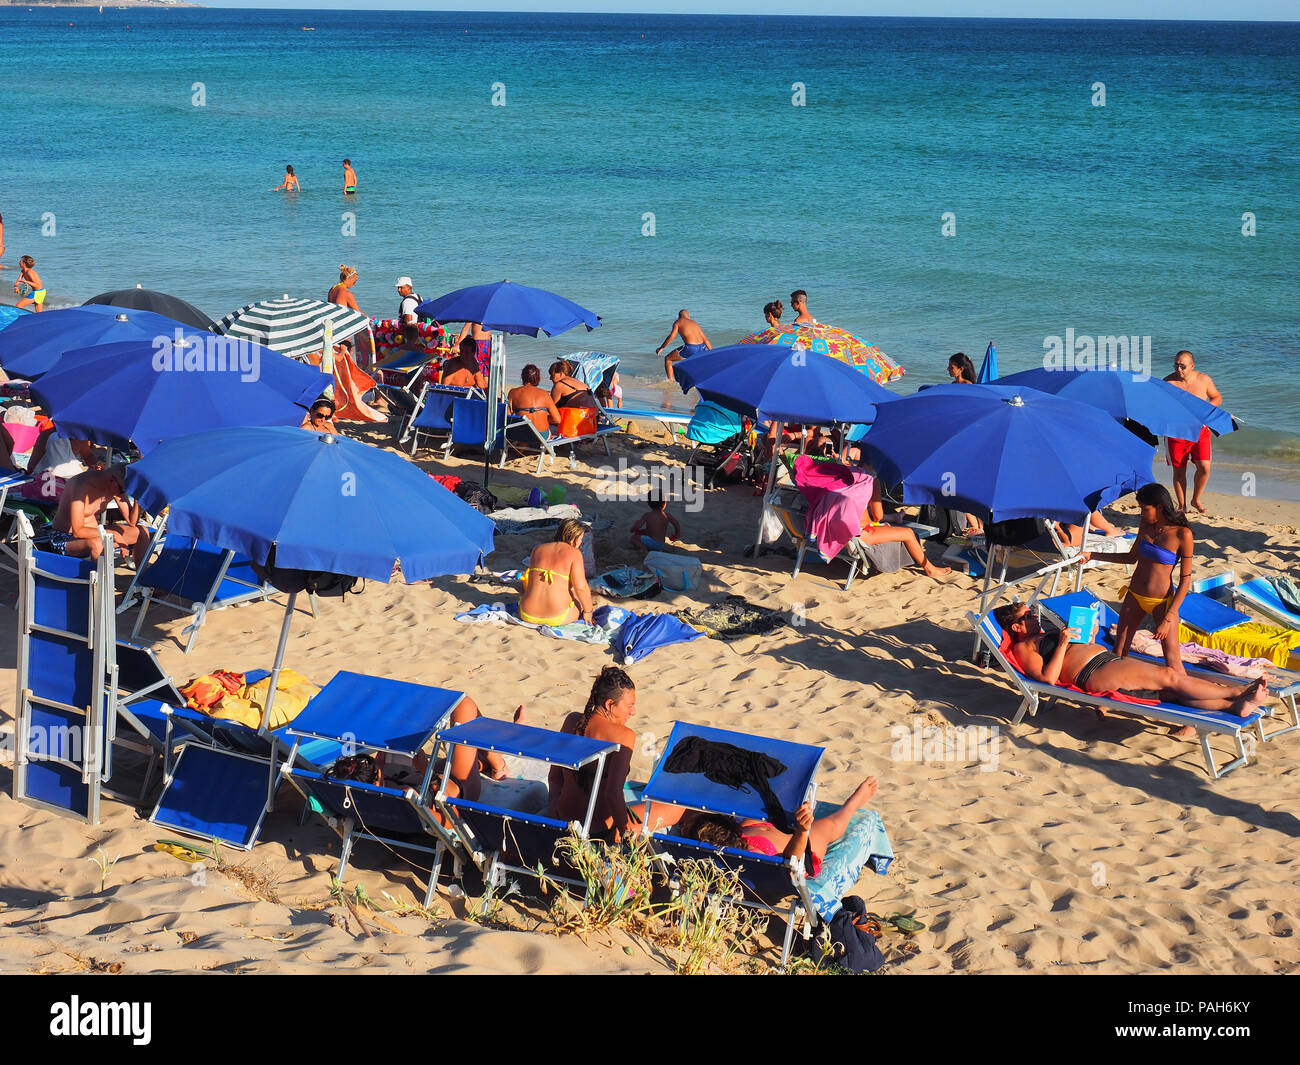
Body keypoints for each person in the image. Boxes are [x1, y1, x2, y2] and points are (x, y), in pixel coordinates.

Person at [994, 601, 1269, 733]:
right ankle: (1238, 692)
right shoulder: (1024, 647)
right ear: (1016, 627)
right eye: (1027, 615)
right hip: (1095, 670)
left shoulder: (1042, 634)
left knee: (1172, 694)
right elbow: (1048, 678)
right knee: (1170, 676)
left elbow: (1072, 651)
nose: (1034, 615)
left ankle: (1234, 707)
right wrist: (1064, 643)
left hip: (1105, 662)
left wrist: (1088, 635)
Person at [688, 778, 880, 876]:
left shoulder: (726, 843)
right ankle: (854, 802)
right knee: (829, 827)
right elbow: (790, 862)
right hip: (796, 851)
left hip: (747, 836)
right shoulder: (753, 860)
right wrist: (802, 831)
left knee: (762, 809)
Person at [1108, 483, 1194, 674]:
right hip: (1134, 595)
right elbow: (1130, 558)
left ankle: (1186, 691)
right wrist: (1092, 555)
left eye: (1145, 509)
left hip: (1162, 602)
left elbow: (1185, 581)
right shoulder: (1145, 525)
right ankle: (1113, 689)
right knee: (1119, 651)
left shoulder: (1183, 534)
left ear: (1160, 507)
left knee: (1172, 661)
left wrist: (1168, 618)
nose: (1141, 513)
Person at [549, 667, 637, 843]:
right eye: (629, 706)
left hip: (562, 821)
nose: (633, 712)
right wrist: (626, 835)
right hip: (598, 832)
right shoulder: (624, 736)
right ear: (610, 704)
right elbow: (613, 795)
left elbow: (555, 777)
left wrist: (552, 812)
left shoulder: (572, 721)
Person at [38, 464, 150, 565]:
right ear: (111, 481)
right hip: (65, 536)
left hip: (97, 533)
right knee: (98, 544)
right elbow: (78, 531)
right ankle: (101, 581)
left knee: (142, 532)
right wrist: (113, 534)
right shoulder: (81, 486)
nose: (123, 494)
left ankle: (140, 578)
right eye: (123, 490)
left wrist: (139, 497)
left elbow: (132, 521)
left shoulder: (116, 487)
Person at [858, 463, 952, 579]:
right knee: (908, 533)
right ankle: (930, 569)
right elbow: (878, 516)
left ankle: (896, 517)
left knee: (882, 524)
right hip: (860, 533)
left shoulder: (846, 476)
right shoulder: (872, 481)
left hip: (841, 531)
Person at [1163, 351, 1222, 514]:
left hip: (1200, 430)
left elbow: (1217, 397)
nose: (1178, 369)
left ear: (1192, 366)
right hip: (1177, 432)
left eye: (1182, 366)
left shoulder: (1203, 380)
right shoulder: (1168, 383)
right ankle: (1182, 506)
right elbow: (1159, 406)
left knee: (1204, 468)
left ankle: (1196, 499)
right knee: (1179, 471)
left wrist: (1206, 410)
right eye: (1176, 365)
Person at [518, 518, 593, 627]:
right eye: (581, 539)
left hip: (526, 614)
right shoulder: (574, 553)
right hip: (557, 617)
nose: (581, 543)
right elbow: (581, 588)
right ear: (573, 537)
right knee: (579, 595)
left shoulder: (537, 549)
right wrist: (588, 611)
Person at [655, 310, 711, 382]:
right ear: (688, 316)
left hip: (691, 348)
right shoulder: (694, 323)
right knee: (693, 363)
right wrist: (711, 352)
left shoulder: (678, 322)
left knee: (668, 359)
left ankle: (670, 382)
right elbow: (706, 340)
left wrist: (662, 347)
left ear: (679, 316)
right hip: (702, 347)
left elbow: (671, 336)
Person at [507, 363, 560, 438]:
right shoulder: (545, 394)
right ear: (538, 378)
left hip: (521, 435)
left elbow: (508, 416)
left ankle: (522, 444)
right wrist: (544, 418)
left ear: (523, 377)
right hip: (542, 436)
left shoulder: (513, 392)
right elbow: (557, 419)